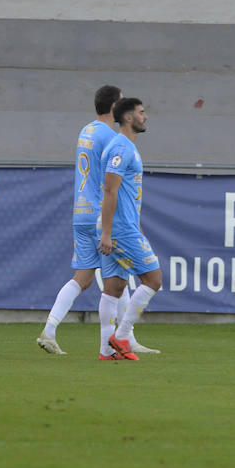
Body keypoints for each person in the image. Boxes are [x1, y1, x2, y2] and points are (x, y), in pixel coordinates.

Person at [37, 84, 128, 356]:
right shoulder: (111, 137)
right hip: (101, 215)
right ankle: (122, 341)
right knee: (118, 275)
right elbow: (112, 181)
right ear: (114, 107)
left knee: (83, 277)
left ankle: (49, 330)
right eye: (122, 103)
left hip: (81, 212)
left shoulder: (86, 130)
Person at [97, 98, 163, 362]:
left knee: (114, 286)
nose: (145, 117)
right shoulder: (121, 148)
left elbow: (122, 193)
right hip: (119, 228)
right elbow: (110, 190)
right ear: (127, 117)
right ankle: (122, 337)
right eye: (141, 112)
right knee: (154, 280)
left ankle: (106, 350)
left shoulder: (127, 147)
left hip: (123, 225)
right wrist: (107, 232)